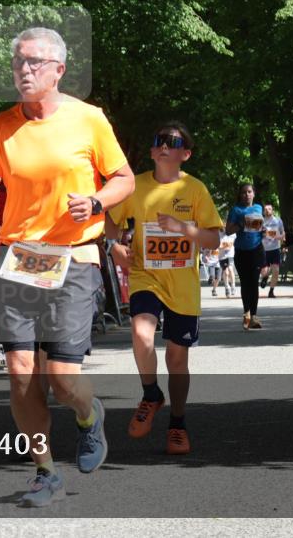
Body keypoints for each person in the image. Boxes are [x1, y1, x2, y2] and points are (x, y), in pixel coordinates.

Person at [0, 27, 135, 507]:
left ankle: (88, 416)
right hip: (18, 256)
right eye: (18, 62)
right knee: (19, 370)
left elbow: (122, 179)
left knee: (61, 377)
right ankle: (44, 471)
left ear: (59, 69)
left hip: (73, 256)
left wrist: (97, 202)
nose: (23, 70)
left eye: (35, 62)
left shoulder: (89, 119)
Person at [105, 121, 222, 456]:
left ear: (185, 153)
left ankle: (177, 422)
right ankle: (151, 394)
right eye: (158, 140)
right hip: (145, 276)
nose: (163, 145)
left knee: (176, 358)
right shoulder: (135, 186)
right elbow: (109, 222)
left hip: (183, 285)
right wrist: (113, 246)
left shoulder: (195, 189)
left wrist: (185, 229)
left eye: (172, 141)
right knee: (141, 334)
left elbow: (214, 238)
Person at [226, 183, 265, 330]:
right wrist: (241, 224)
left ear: (253, 193)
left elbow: (260, 227)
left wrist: (264, 230)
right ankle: (246, 314)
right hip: (242, 251)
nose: (246, 195)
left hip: (257, 249)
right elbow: (228, 230)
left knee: (254, 283)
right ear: (240, 195)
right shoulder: (236, 210)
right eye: (243, 192)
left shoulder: (259, 208)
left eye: (249, 192)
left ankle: (254, 317)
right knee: (245, 283)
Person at [259, 203, 285, 298]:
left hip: (274, 249)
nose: (267, 211)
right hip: (264, 249)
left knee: (276, 271)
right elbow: (257, 233)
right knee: (264, 271)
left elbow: (282, 232)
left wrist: (282, 238)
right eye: (265, 209)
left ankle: (271, 291)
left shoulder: (277, 220)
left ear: (272, 210)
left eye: (269, 209)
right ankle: (265, 277)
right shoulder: (261, 221)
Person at [218, 231, 237, 298]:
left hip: (230, 255)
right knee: (226, 272)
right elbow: (216, 245)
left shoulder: (233, 234)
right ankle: (227, 287)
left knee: (230, 269)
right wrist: (222, 246)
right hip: (222, 256)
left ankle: (233, 285)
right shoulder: (219, 234)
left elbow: (236, 242)